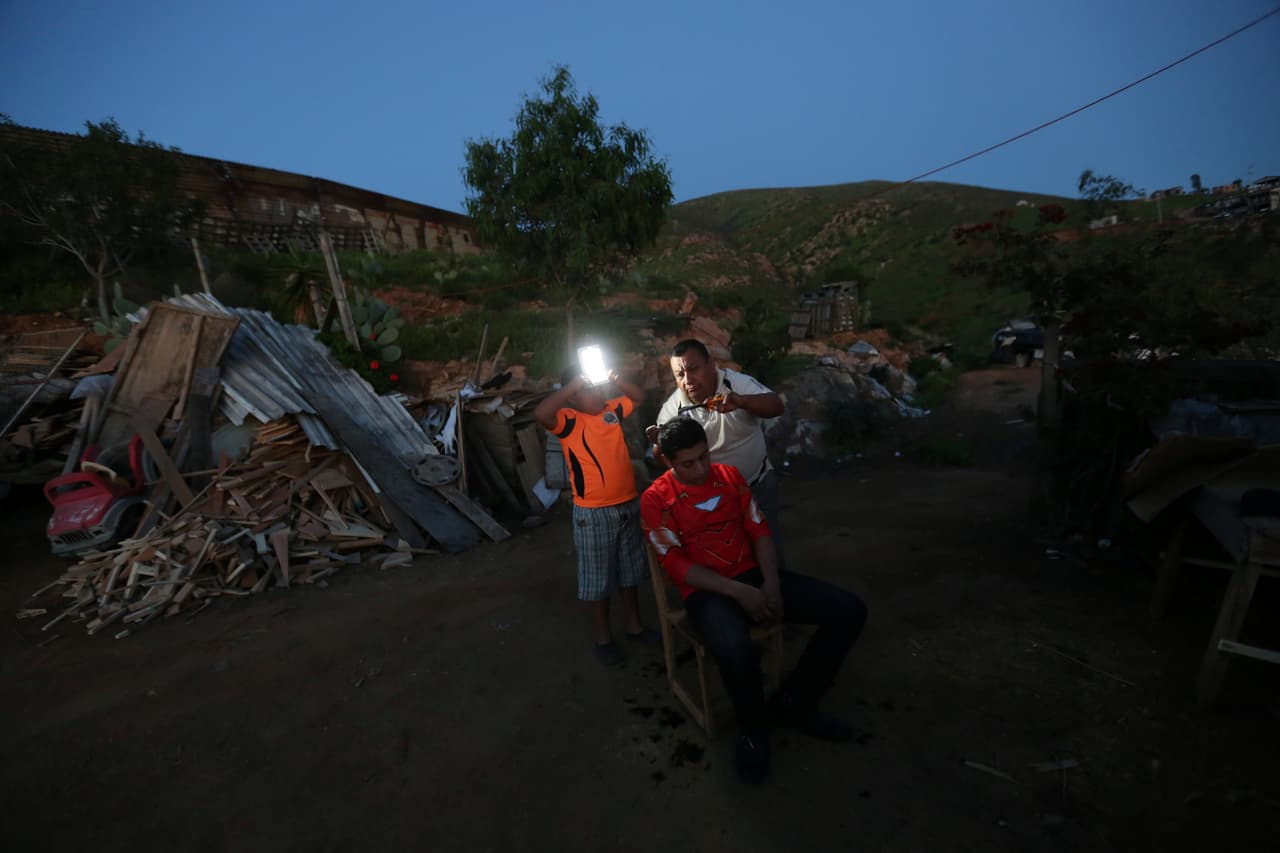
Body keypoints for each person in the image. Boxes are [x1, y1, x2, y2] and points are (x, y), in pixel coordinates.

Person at [641, 418, 867, 785]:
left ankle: (795, 702)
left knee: (849, 611)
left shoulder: (729, 477)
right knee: (734, 647)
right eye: (687, 463)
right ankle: (753, 730)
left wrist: (772, 582)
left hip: (755, 575)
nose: (699, 469)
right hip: (707, 591)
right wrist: (740, 592)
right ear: (668, 462)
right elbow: (678, 566)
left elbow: (759, 531)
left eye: (703, 457)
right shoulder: (655, 499)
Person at [534, 366, 659, 666]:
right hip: (593, 512)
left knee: (630, 572)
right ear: (573, 398)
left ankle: (634, 625)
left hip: (628, 504)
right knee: (598, 579)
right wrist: (573, 383)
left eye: (596, 386)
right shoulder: (568, 421)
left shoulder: (610, 409)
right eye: (588, 389)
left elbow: (639, 398)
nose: (598, 393)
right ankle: (603, 637)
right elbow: (541, 413)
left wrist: (616, 379)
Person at [649, 339, 787, 558]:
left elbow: (776, 405)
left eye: (693, 369)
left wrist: (742, 402)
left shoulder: (736, 384)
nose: (688, 380)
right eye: (680, 375)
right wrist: (659, 443)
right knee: (729, 558)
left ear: (711, 364)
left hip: (757, 486)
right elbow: (663, 459)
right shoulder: (673, 409)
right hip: (715, 503)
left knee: (770, 555)